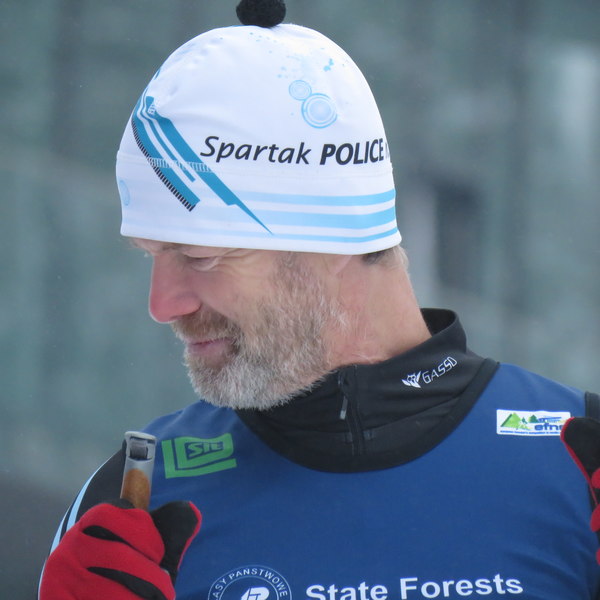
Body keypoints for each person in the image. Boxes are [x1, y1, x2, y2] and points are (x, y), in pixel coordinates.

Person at [39, 1, 600, 599]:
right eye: (151, 255)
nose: (163, 304)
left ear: (334, 233)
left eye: (199, 257)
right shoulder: (132, 514)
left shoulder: (580, 466)